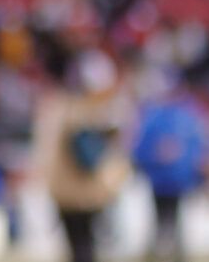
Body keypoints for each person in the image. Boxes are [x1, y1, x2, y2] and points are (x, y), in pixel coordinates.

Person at [34, 51, 133, 262]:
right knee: (85, 244)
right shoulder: (87, 112)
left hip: (64, 190)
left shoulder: (56, 107)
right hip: (85, 190)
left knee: (77, 243)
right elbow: (97, 155)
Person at [132, 75, 209, 262]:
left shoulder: (188, 117)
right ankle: (159, 252)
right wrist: (155, 155)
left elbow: (198, 149)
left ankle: (176, 252)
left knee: (177, 220)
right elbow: (139, 149)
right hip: (160, 180)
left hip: (179, 180)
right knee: (161, 220)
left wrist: (197, 173)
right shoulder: (153, 117)